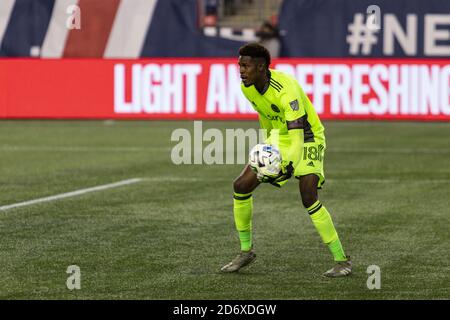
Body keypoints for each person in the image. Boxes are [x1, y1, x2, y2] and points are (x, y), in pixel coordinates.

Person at [220, 43, 352, 277]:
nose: (240, 70)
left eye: (245, 66)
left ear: (261, 67)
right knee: (240, 185)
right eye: (239, 65)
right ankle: (245, 251)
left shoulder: (286, 89)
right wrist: (266, 149)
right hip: (280, 137)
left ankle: (342, 260)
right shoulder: (248, 87)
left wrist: (287, 164)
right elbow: (266, 118)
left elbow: (298, 133)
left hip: (307, 137)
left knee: (308, 196)